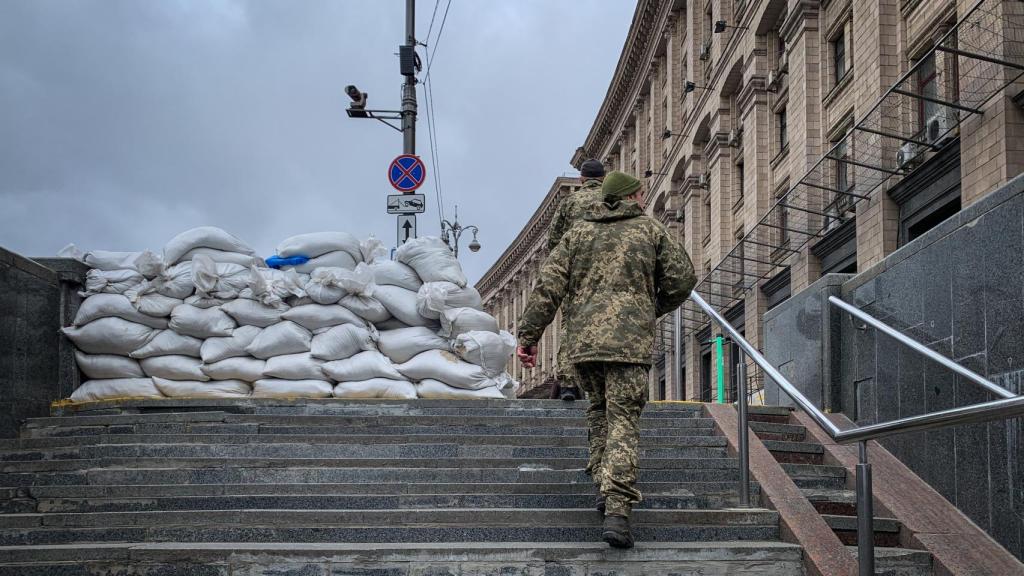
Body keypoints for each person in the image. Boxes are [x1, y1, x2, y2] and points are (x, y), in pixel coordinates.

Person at [516, 170, 696, 549]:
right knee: (624, 420)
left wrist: (529, 337)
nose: (644, 198)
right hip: (629, 345)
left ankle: (602, 479)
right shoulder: (649, 230)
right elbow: (682, 280)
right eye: (641, 194)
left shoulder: (577, 234)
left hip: (584, 346)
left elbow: (548, 286)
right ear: (631, 197)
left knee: (598, 411)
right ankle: (617, 506)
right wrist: (650, 308)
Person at [546, 158, 606, 402]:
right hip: (610, 274)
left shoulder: (569, 203)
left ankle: (569, 384)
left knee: (571, 328)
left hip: (577, 275)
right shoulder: (614, 200)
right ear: (603, 178)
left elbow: (554, 241)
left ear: (581, 179)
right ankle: (605, 382)